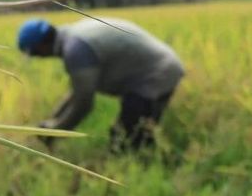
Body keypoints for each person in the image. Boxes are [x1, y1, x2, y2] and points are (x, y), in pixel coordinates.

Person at [17, 17, 184, 152]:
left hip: (154, 75)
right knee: (140, 134)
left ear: (42, 46)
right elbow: (78, 91)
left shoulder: (75, 51)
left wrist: (55, 131)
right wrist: (52, 121)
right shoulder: (73, 36)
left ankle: (133, 176)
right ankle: (153, 163)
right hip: (162, 69)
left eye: (37, 54)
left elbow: (83, 103)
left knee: (124, 140)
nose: (40, 58)